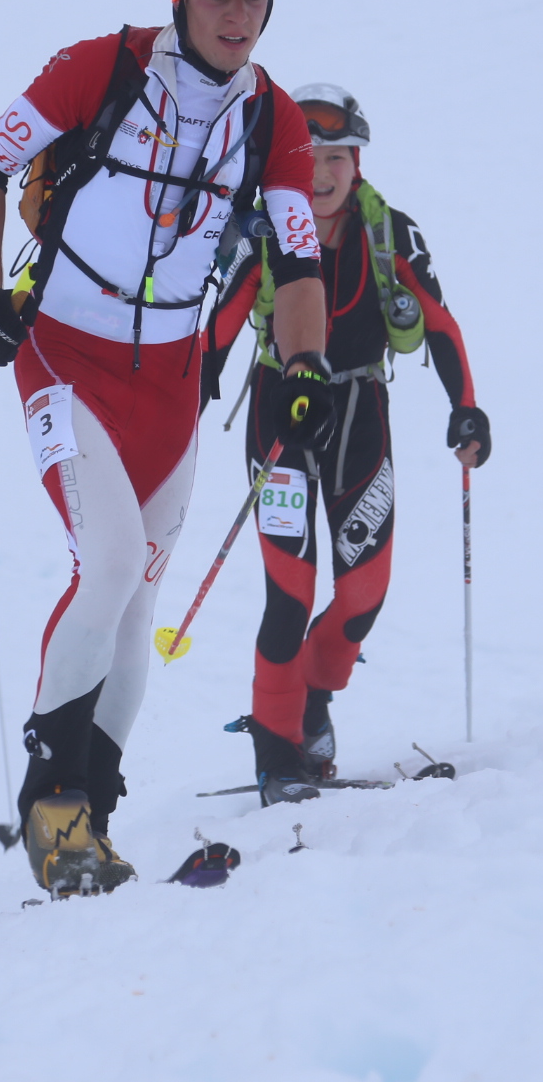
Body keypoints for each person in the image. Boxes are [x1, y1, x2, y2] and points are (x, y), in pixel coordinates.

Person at [0, 0, 333, 895]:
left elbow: (298, 264)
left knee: (138, 603)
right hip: (63, 357)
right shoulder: (101, 68)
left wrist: (301, 368)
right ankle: (51, 810)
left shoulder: (275, 120)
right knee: (111, 562)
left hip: (172, 383)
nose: (239, 13)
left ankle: (94, 826)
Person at [202, 84, 491, 804]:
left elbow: (438, 322)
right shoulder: (266, 230)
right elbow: (220, 329)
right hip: (280, 417)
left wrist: (465, 408)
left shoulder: (390, 232)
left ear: (357, 162)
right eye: (308, 155)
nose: (322, 171)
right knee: (289, 596)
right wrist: (185, 399)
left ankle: (314, 694)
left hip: (361, 411)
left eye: (337, 156)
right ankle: (277, 753)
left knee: (363, 593)